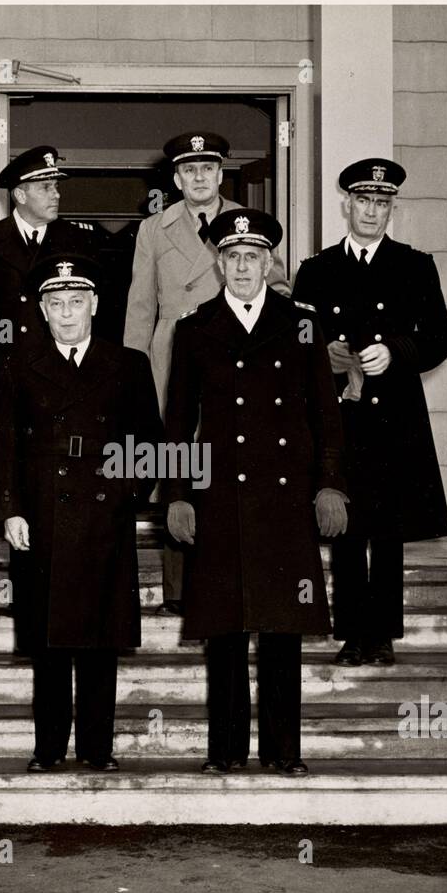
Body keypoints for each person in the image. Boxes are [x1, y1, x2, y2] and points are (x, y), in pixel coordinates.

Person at [164, 209, 348, 776]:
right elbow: (178, 420)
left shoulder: (302, 325)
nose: (243, 266)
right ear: (219, 265)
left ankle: (283, 752)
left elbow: (326, 416)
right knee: (223, 628)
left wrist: (330, 485)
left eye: (254, 257)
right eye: (233, 257)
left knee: (281, 628)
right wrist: (177, 493)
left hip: (285, 498)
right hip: (218, 496)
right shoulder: (194, 329)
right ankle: (224, 752)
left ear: (269, 264)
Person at [0, 255, 163, 772]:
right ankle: (48, 750)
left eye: (76, 302)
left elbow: (150, 443)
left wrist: (126, 497)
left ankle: (96, 749)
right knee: (50, 644)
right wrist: (9, 511)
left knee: (98, 643)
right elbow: (3, 448)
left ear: (94, 304)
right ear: (42, 310)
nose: (67, 314)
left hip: (103, 522)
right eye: (56, 304)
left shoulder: (128, 364)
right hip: (42, 520)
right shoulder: (16, 365)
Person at [291, 158, 447, 667]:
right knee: (344, 524)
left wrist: (398, 352)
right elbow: (296, 339)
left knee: (387, 529)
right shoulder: (317, 270)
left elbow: (441, 336)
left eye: (382, 203)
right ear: (347, 204)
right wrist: (325, 354)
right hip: (339, 414)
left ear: (392, 209)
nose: (372, 211)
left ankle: (381, 633)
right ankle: (350, 632)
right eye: (363, 201)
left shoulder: (414, 265)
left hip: (395, 417)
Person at [123, 131, 288, 614]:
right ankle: (178, 588)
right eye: (189, 170)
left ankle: (229, 578)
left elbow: (275, 290)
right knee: (177, 458)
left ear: (220, 174)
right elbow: (140, 305)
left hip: (234, 352)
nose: (199, 177)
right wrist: (132, 374)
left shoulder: (247, 225)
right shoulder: (154, 228)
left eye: (208, 169)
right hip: (172, 351)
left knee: (229, 459)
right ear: (176, 178)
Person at [0, 145, 106, 513]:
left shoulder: (82, 239)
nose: (56, 194)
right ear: (20, 194)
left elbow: (102, 307)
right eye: (46, 188)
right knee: (13, 481)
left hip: (64, 374)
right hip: (10, 375)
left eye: (57, 187)